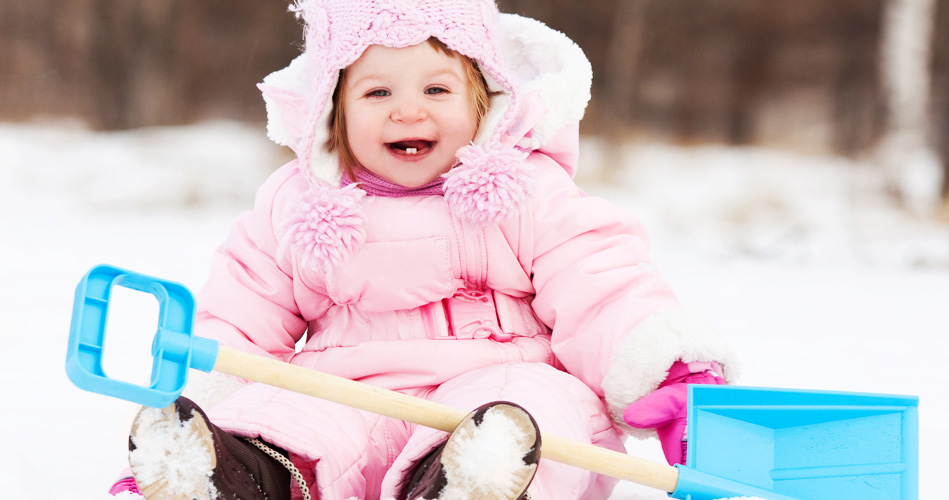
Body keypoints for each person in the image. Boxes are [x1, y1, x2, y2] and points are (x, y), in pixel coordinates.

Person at [109, 0, 735, 499]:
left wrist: (671, 369)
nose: (407, 110)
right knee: (282, 414)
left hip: (498, 384)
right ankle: (226, 476)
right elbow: (243, 316)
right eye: (377, 93)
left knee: (533, 412)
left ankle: (472, 485)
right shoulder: (298, 205)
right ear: (335, 112)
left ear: (484, 100)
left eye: (437, 91)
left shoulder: (528, 192)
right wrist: (217, 395)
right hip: (345, 392)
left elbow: (601, 283)